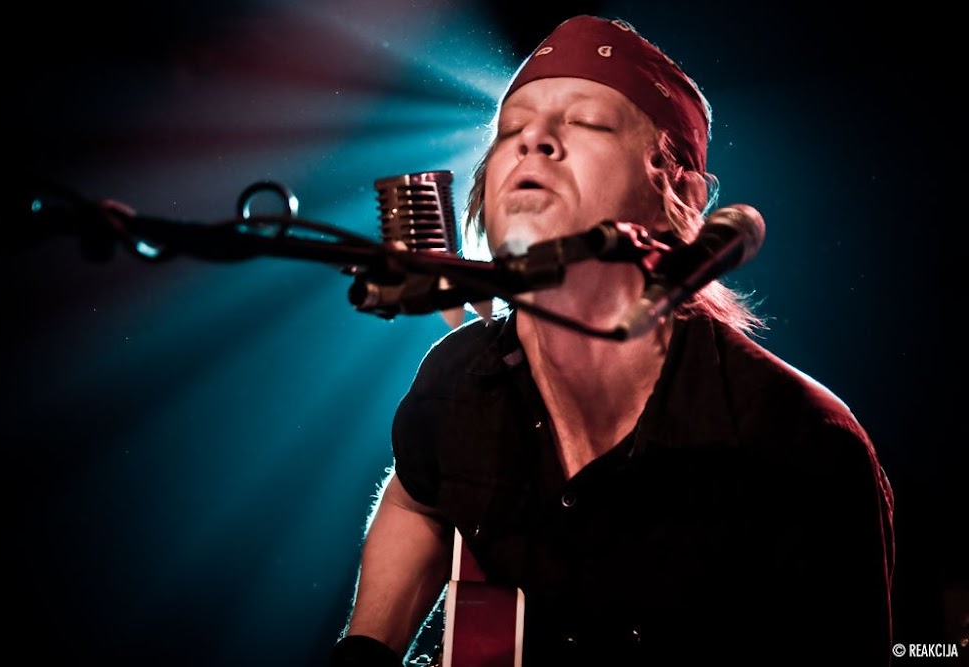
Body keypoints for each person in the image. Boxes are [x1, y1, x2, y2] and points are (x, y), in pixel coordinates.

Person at [330, 14, 895, 667]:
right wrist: (367, 649)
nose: (533, 139)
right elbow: (417, 500)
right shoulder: (457, 380)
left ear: (678, 192)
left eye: (587, 122)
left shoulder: (795, 441)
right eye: (512, 129)